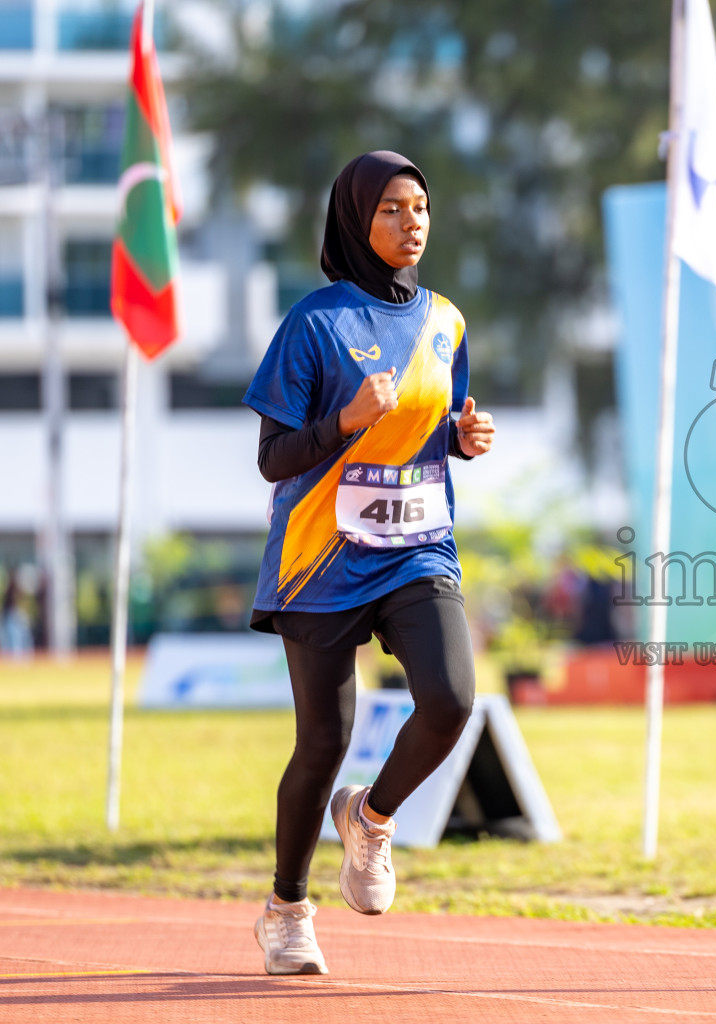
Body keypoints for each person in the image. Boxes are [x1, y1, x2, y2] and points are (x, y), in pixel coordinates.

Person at [242, 151, 496, 975]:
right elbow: (273, 458)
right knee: (323, 740)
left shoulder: (446, 322)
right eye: (390, 208)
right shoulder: (315, 324)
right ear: (355, 218)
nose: (410, 221)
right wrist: (346, 420)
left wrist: (461, 438)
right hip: (323, 554)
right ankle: (286, 909)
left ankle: (373, 820)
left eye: (420, 206)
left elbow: (438, 422)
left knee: (453, 698)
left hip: (417, 546)